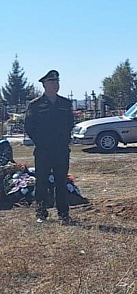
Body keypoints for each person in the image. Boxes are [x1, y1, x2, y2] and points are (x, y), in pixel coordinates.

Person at [25, 70, 75, 224]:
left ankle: (63, 213)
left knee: (61, 181)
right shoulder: (35, 105)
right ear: (44, 85)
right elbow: (29, 126)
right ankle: (41, 212)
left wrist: (64, 140)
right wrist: (40, 142)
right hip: (43, 150)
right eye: (52, 82)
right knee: (42, 181)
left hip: (61, 149)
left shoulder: (65, 104)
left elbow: (70, 124)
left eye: (57, 82)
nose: (55, 85)